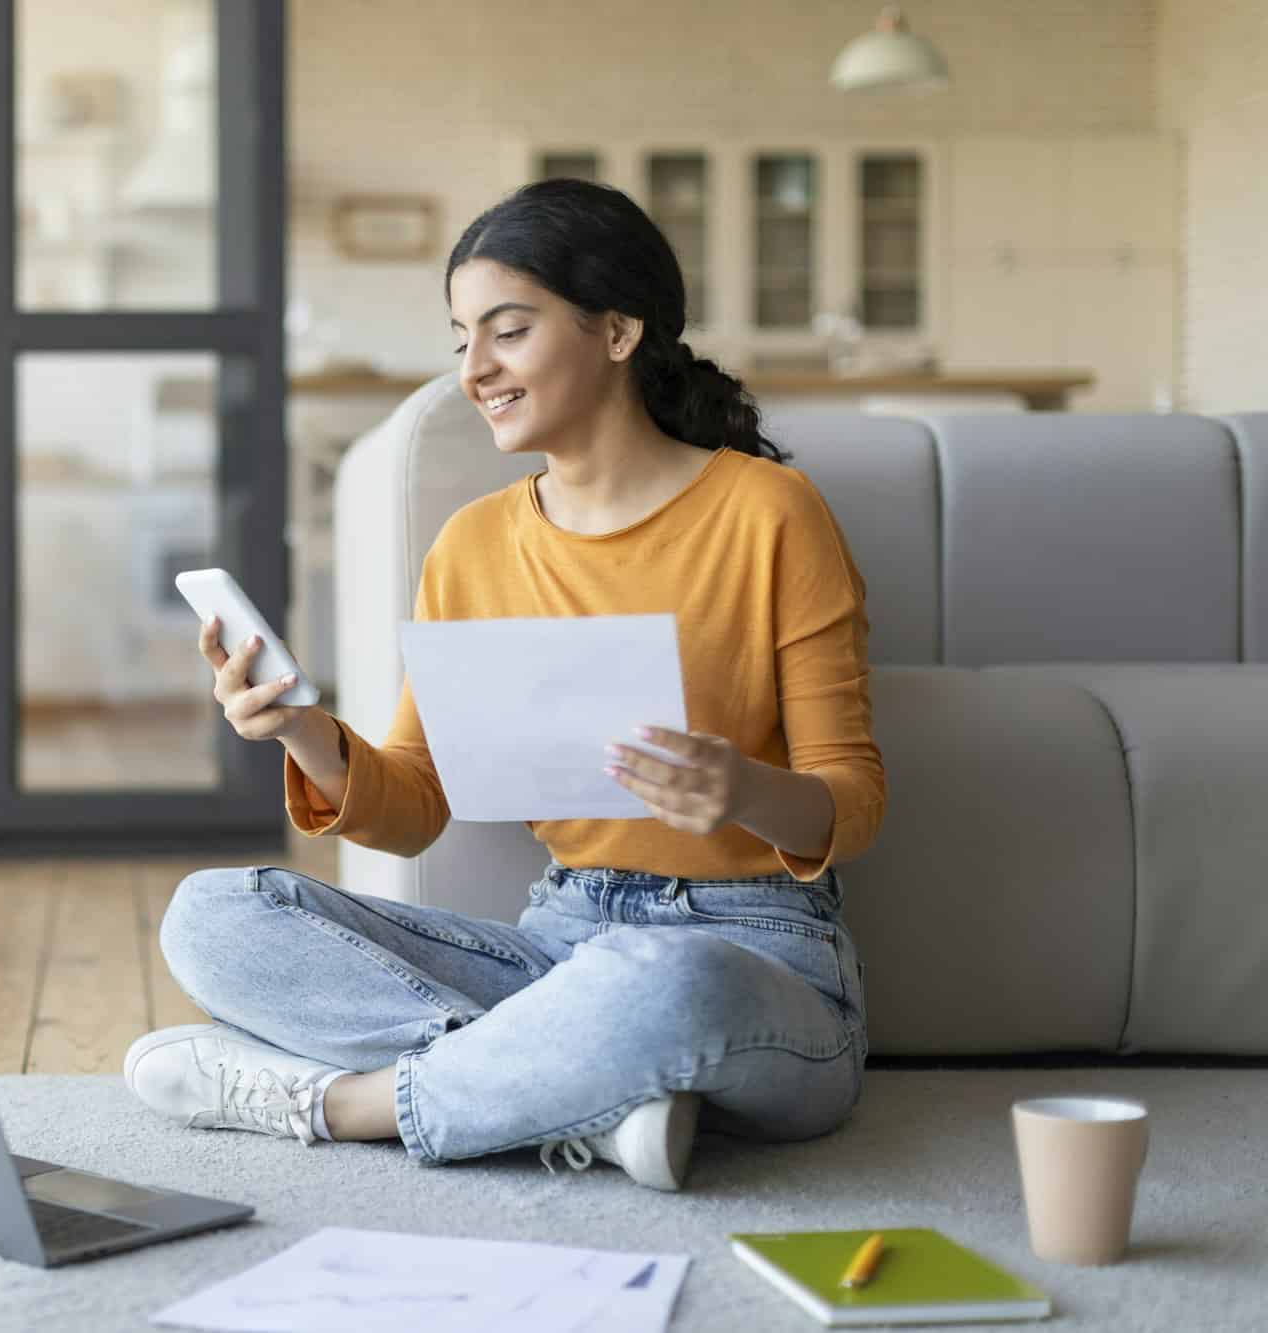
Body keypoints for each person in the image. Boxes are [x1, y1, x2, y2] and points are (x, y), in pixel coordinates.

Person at [122, 178, 885, 1192]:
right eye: (460, 339)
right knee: (210, 914)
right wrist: (303, 730)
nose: (474, 370)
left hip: (754, 953)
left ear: (615, 330)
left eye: (508, 332)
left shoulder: (768, 512)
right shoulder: (472, 545)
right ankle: (598, 1099)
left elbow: (854, 797)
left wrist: (742, 790)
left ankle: (343, 1105)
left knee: (662, 984)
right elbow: (412, 811)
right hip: (560, 944)